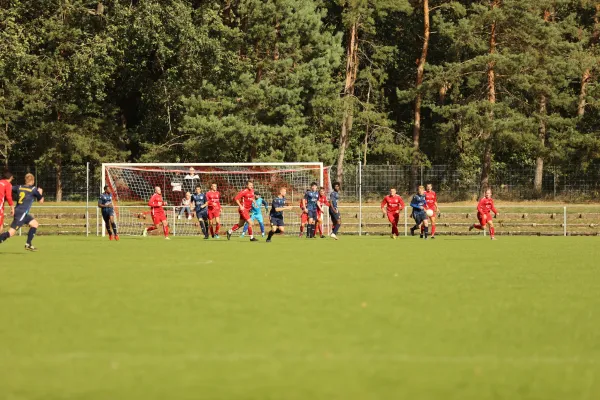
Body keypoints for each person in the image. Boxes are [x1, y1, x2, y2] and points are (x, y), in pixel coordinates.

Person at [0, 173, 44, 251]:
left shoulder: (19, 187)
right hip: (22, 213)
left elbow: (9, 188)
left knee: (35, 224)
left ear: (25, 180)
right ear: (33, 181)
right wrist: (40, 192)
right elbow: (41, 201)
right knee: (11, 233)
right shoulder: (34, 189)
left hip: (21, 212)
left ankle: (28, 244)